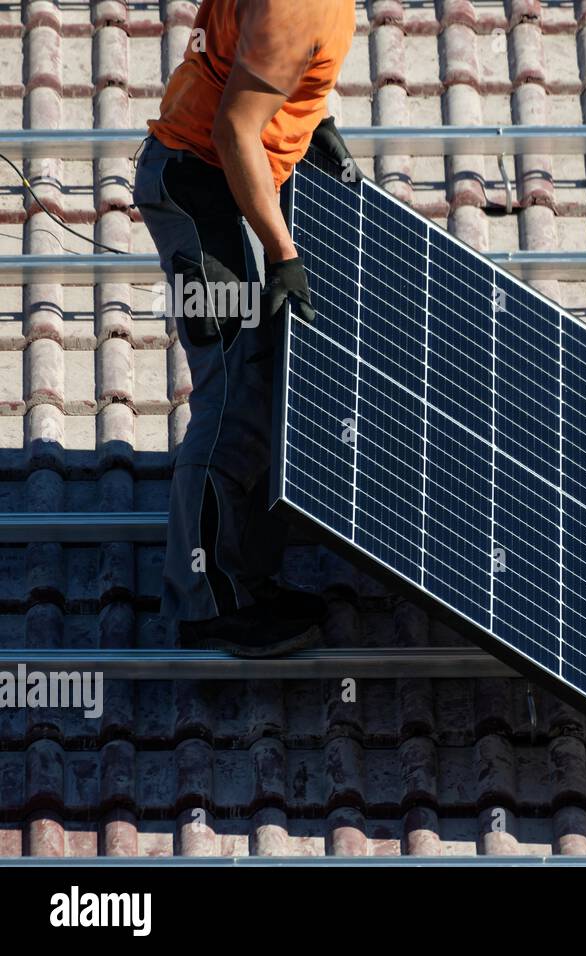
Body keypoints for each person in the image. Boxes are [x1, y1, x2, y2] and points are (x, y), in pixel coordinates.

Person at [133, 0, 357, 657]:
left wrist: (313, 121)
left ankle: (247, 576)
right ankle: (207, 603)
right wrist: (283, 255)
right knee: (235, 391)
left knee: (263, 379)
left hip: (224, 174)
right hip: (198, 186)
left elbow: (256, 62)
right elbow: (235, 128)